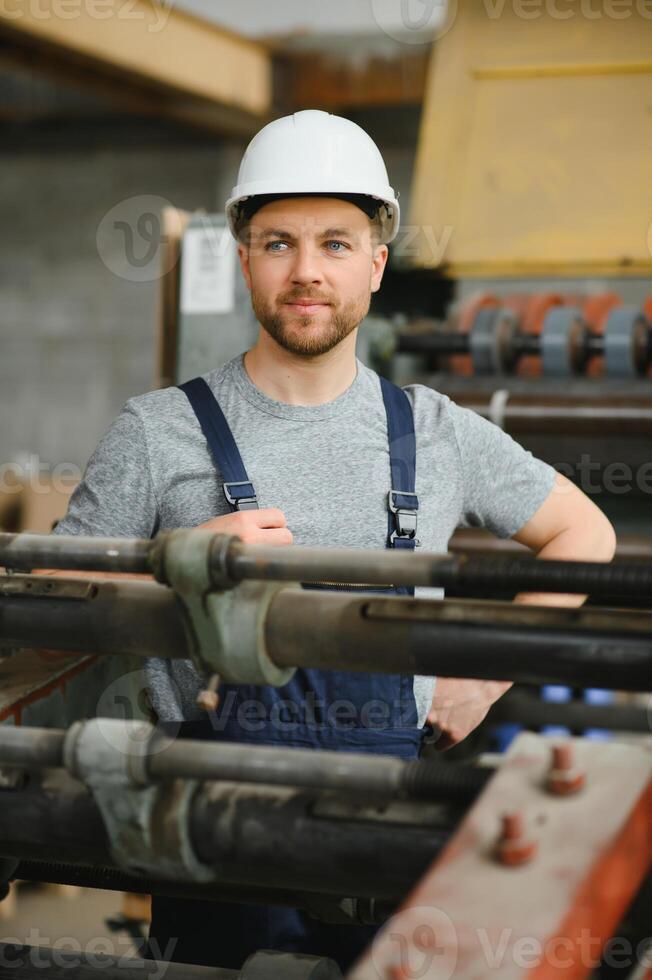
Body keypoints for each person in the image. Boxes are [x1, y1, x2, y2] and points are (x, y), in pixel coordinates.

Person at [52, 109, 615, 971]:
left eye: (336, 244)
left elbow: (587, 529)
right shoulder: (156, 431)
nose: (306, 272)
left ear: (378, 264)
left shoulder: (437, 431)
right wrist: (174, 564)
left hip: (387, 817)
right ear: (244, 258)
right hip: (207, 830)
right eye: (278, 242)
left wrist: (483, 680)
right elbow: (53, 597)